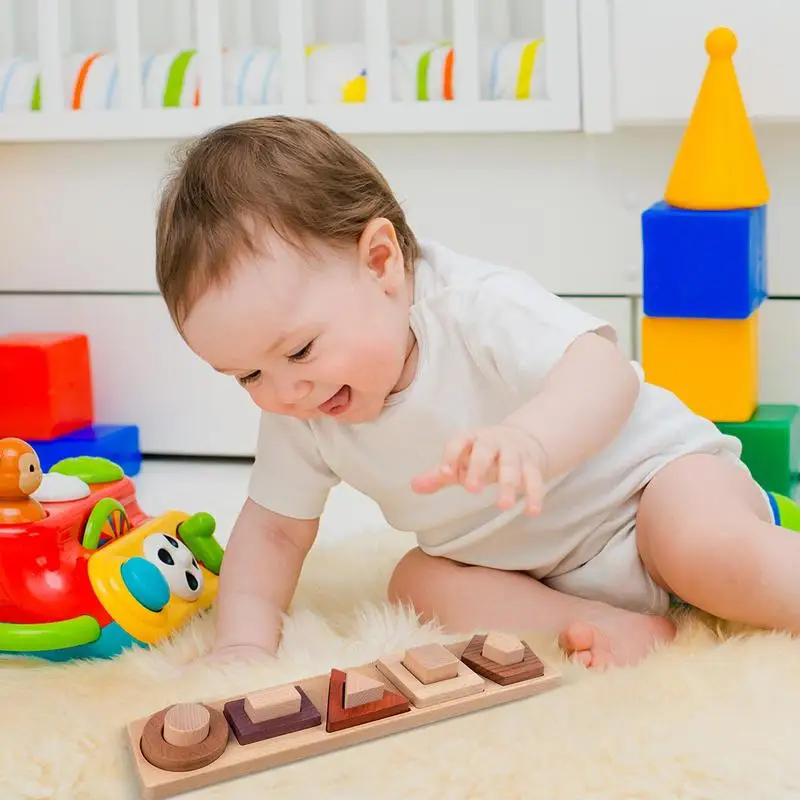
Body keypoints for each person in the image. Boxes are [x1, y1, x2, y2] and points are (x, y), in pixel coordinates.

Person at [155, 115, 800, 670]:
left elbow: (602, 371)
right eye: (247, 377)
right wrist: (242, 640)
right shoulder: (304, 405)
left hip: (648, 492)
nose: (283, 391)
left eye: (298, 350)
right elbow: (272, 532)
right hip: (532, 566)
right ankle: (597, 619)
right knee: (415, 585)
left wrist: (533, 439)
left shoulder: (472, 310)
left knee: (702, 549)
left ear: (380, 263)